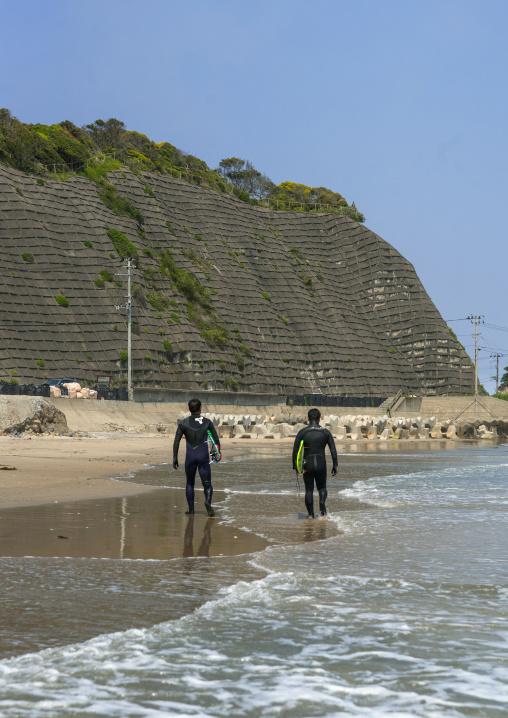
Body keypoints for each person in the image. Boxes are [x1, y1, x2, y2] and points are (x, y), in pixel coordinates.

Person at [173, 398, 221, 517]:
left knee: (190, 483)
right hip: (203, 457)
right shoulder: (207, 422)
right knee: (207, 483)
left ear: (189, 409)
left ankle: (191, 509)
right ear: (200, 408)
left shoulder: (183, 423)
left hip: (190, 457)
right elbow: (215, 440)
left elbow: (176, 441)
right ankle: (208, 502)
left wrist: (175, 457)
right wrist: (216, 454)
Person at [292, 408, 337, 518]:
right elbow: (333, 450)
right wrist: (335, 464)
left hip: (307, 462)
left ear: (308, 418)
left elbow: (296, 450)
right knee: (322, 487)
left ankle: (311, 515)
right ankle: (322, 502)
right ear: (319, 419)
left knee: (309, 489)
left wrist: (295, 464)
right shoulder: (326, 432)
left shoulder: (302, 432)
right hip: (321, 462)